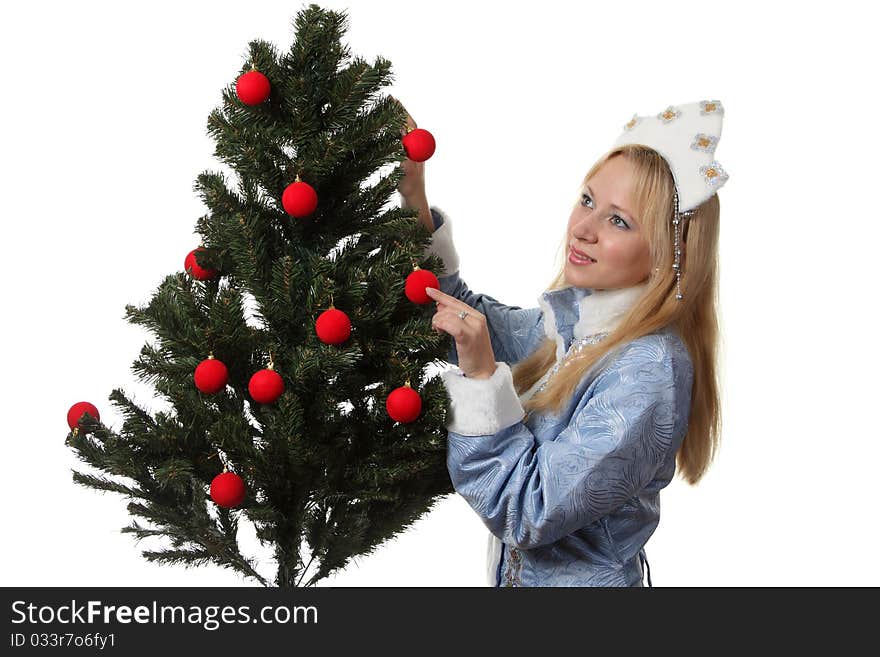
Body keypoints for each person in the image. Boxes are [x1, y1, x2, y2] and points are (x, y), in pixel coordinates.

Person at [395, 98, 726, 587]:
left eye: (619, 221)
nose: (584, 228)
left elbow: (528, 509)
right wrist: (413, 190)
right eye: (588, 200)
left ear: (669, 253)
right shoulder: (574, 331)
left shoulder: (648, 369)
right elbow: (458, 310)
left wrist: (484, 378)